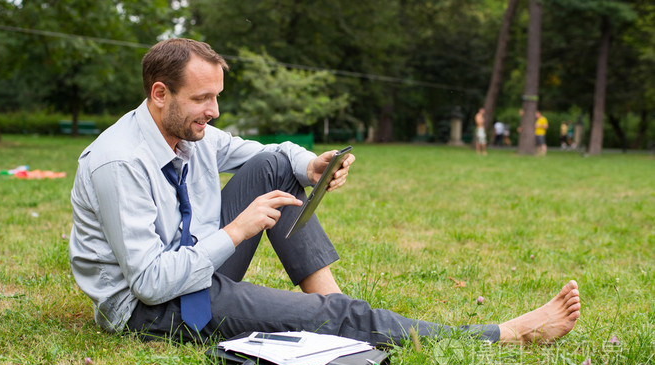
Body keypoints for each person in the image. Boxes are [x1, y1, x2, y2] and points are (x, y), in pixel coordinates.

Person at [69, 38, 580, 349]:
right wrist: (237, 229)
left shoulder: (189, 132)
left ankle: (336, 310)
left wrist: (310, 165)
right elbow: (151, 284)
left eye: (218, 97)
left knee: (274, 163)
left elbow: (264, 152)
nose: (215, 112)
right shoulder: (119, 163)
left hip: (192, 266)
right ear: (160, 94)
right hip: (153, 308)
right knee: (333, 319)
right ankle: (505, 334)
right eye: (202, 99)